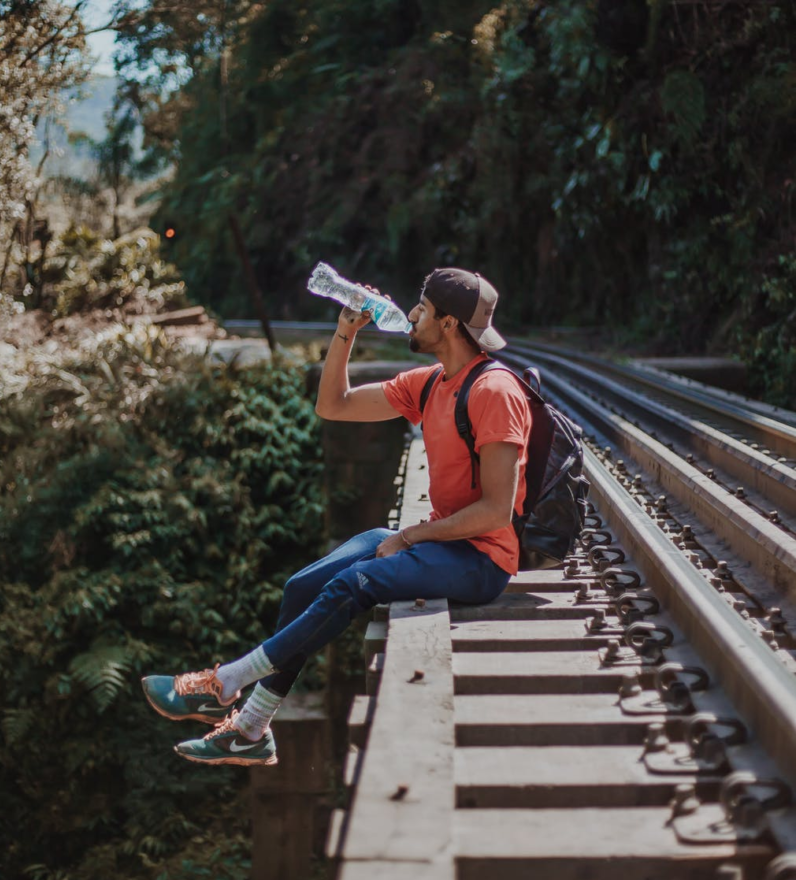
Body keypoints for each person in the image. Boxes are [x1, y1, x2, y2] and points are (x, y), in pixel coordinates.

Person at [142, 268, 532, 766]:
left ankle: (225, 683)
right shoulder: (432, 384)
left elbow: (497, 511)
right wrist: (347, 328)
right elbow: (334, 405)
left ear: (450, 323)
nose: (411, 316)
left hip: (482, 560)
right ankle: (251, 730)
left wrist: (410, 535)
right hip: (441, 542)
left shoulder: (494, 393)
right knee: (302, 586)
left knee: (354, 583)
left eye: (422, 309)